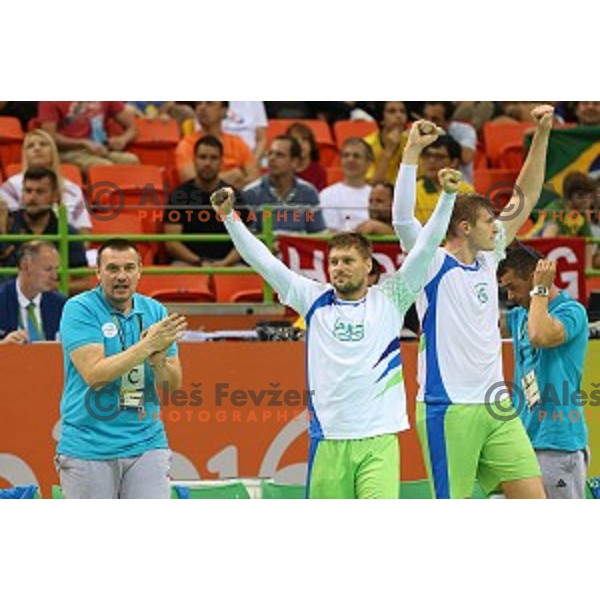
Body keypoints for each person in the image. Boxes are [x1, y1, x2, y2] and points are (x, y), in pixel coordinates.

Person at [210, 140, 463, 499]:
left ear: (369, 266)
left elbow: (424, 249)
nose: (339, 269)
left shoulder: (392, 298)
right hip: (329, 440)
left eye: (347, 261)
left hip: (379, 440)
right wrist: (229, 219)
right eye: (334, 262)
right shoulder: (313, 300)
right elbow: (265, 262)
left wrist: (447, 197)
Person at [393, 105, 555, 499]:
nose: (499, 228)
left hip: (495, 405)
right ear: (465, 228)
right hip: (447, 408)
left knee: (535, 499)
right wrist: (412, 152)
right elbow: (400, 218)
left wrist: (543, 133)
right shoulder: (429, 262)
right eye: (490, 223)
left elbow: (527, 195)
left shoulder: (489, 258)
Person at [56, 239, 187, 499]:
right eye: (113, 269)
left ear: (140, 270)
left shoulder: (155, 310)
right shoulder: (79, 308)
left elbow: (173, 385)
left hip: (147, 442)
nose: (121, 277)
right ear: (98, 273)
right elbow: (95, 374)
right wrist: (148, 345)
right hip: (88, 445)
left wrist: (158, 359)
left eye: (129, 268)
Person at [498, 247, 589, 498]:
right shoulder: (519, 317)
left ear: (534, 278)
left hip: (557, 445)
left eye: (513, 287)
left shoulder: (571, 312)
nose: (510, 296)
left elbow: (540, 335)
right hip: (524, 442)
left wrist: (540, 290)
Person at [0, 167, 89, 295]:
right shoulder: (6, 226)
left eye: (40, 192)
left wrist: (49, 287)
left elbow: (84, 282)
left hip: (50, 304)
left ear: (55, 196)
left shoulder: (68, 232)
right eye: (28, 191)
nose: (32, 197)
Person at [164, 135, 245, 267]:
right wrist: (199, 262)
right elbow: (172, 243)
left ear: (221, 162)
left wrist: (225, 263)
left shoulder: (235, 196)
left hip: (229, 264)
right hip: (189, 263)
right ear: (194, 160)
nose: (207, 163)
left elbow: (245, 240)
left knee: (244, 274)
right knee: (177, 270)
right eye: (202, 157)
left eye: (213, 158)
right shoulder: (179, 195)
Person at [0, 128, 91, 234]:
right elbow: (9, 228)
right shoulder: (10, 187)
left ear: (53, 151)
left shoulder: (73, 189)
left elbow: (84, 230)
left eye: (43, 144)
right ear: (25, 154)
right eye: (30, 146)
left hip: (67, 246)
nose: (37, 148)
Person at [243, 135, 326, 234]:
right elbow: (246, 240)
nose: (272, 158)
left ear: (294, 162)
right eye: (270, 154)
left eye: (280, 155)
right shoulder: (250, 193)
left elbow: (318, 235)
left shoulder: (309, 193)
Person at [38, 101, 139, 174]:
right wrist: (83, 143)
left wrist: (123, 139)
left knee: (131, 160)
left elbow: (133, 128)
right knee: (103, 167)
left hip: (101, 149)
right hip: (67, 152)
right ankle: (102, 201)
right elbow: (49, 136)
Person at [175, 101, 259, 187]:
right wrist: (233, 176)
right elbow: (191, 182)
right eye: (198, 103)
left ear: (224, 111)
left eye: (209, 103)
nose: (202, 108)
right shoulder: (186, 145)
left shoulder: (237, 143)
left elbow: (254, 178)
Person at [0, 241, 65, 344]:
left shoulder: (61, 305)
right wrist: (3, 345)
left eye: (56, 269)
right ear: (25, 266)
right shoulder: (2, 298)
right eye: (48, 269)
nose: (54, 276)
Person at [413, 135, 474, 225]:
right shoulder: (414, 190)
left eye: (439, 157)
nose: (431, 161)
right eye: (427, 156)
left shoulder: (466, 190)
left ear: (454, 162)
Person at [320, 137, 373, 231]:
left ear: (368, 163)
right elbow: (329, 233)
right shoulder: (327, 195)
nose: (350, 160)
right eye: (346, 155)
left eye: (356, 156)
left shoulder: (376, 195)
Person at [422, 101, 477, 183]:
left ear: (448, 122)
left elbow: (467, 157)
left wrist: (442, 135)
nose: (428, 123)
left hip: (460, 188)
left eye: (435, 119)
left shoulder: (465, 130)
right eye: (426, 117)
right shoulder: (418, 132)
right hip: (425, 188)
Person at [364, 101, 409, 185]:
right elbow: (370, 186)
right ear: (381, 119)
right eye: (392, 111)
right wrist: (388, 151)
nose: (399, 116)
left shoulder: (410, 143)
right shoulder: (366, 145)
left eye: (402, 111)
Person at [286, 122, 327, 191]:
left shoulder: (319, 172)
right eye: (295, 140)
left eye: (304, 139)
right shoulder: (282, 169)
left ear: (311, 145)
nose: (300, 144)